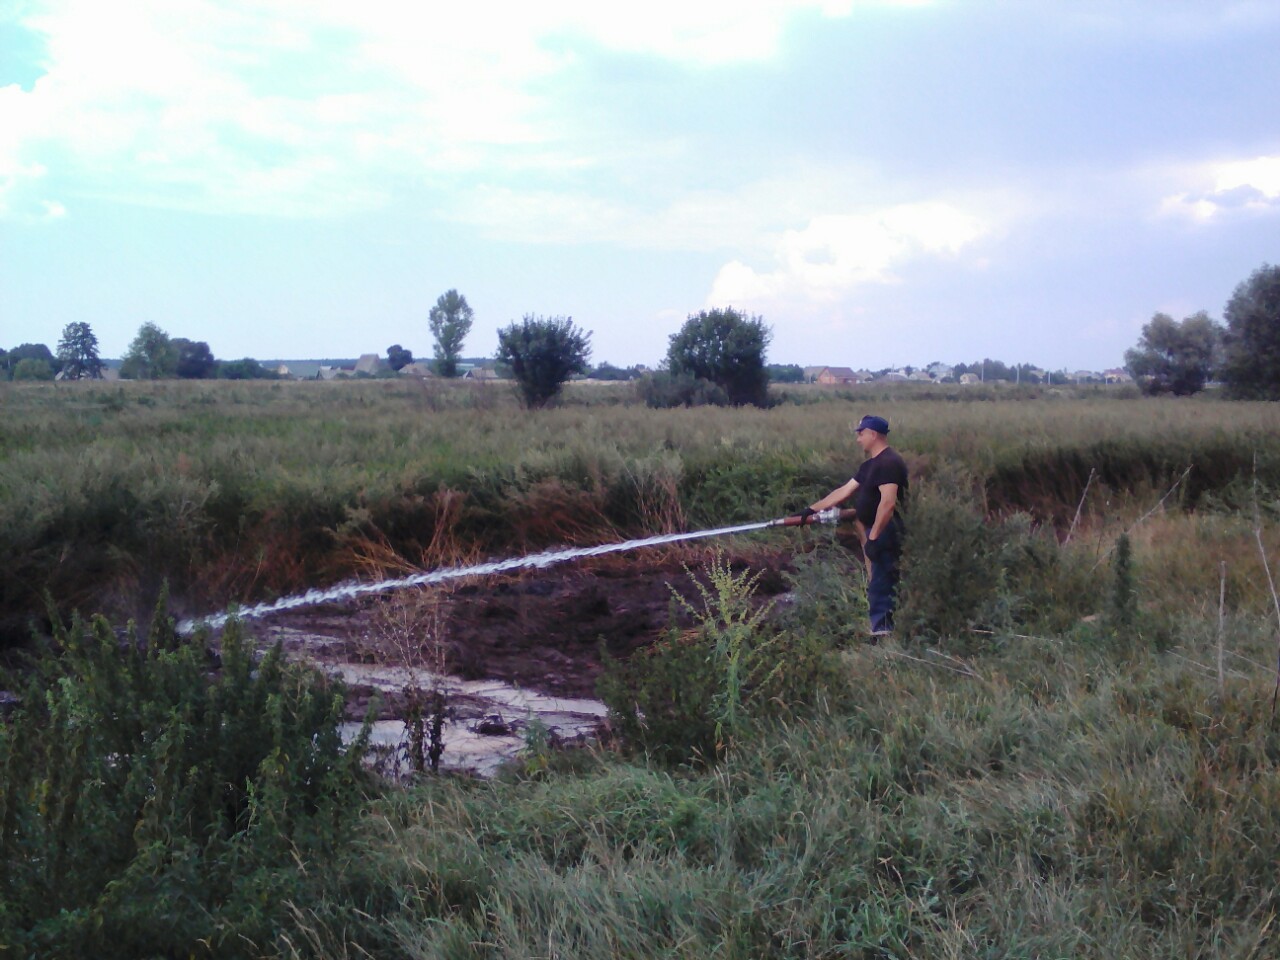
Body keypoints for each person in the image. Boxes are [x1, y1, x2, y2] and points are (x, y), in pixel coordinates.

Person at [802, 414, 909, 636]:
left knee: (881, 580)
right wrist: (811, 509)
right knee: (879, 578)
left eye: (861, 434)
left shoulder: (889, 463)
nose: (858, 439)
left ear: (873, 434)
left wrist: (874, 538)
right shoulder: (869, 465)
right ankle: (884, 627)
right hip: (875, 529)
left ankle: (883, 632)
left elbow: (888, 503)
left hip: (886, 530)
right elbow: (844, 491)